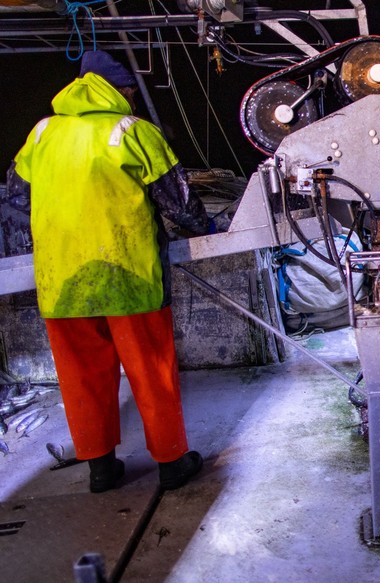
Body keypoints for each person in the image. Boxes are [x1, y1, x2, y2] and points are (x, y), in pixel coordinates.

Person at [1, 50, 210, 493]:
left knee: (82, 378)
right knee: (151, 371)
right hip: (128, 274)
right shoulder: (133, 131)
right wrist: (207, 226)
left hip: (62, 281)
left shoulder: (41, 133)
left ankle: (100, 468)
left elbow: (16, 199)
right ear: (123, 90)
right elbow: (179, 201)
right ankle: (172, 463)